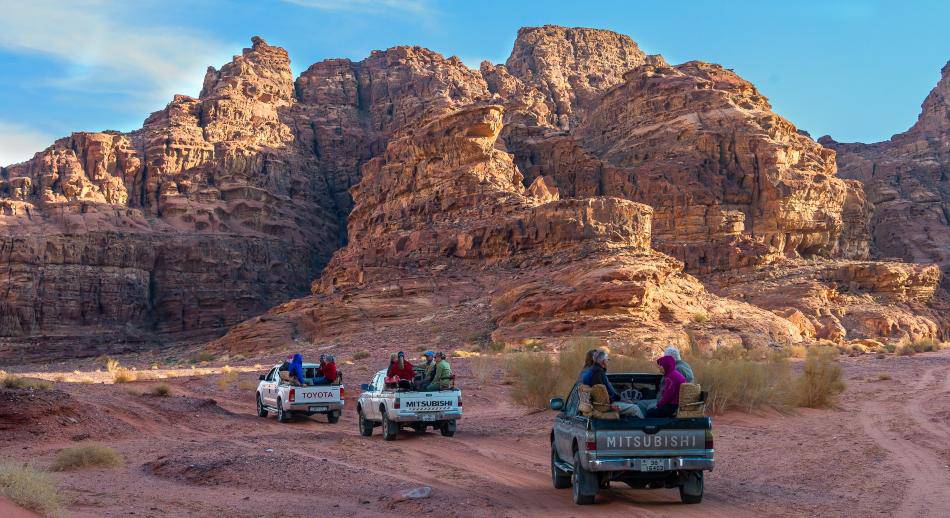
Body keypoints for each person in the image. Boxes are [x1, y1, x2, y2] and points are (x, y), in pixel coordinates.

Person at [582, 349, 642, 417]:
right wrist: (610, 406)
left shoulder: (593, 371)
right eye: (607, 359)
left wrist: (622, 399)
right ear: (603, 361)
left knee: (634, 405)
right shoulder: (597, 373)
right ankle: (644, 426)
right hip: (607, 405)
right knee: (636, 408)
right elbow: (600, 394)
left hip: (607, 403)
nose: (608, 361)